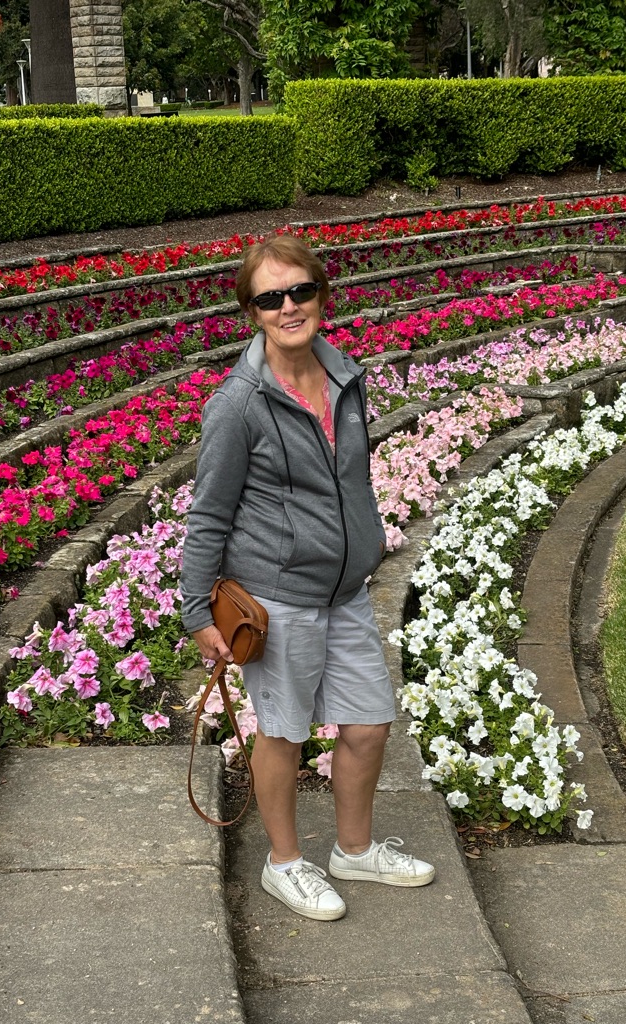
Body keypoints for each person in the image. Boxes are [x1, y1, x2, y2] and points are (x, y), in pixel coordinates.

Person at [179, 235, 434, 921]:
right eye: (271, 298)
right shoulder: (238, 404)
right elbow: (209, 513)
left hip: (345, 592)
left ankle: (354, 850)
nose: (289, 307)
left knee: (369, 726)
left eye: (300, 291)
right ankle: (284, 864)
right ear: (253, 312)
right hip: (278, 596)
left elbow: (350, 479)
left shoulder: (344, 376)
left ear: (323, 295)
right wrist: (198, 614)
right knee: (284, 734)